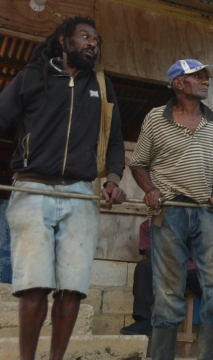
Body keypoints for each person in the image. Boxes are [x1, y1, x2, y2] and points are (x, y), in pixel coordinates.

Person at [0, 16, 126, 360]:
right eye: (85, 36)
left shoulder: (101, 85)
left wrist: (114, 180)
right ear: (63, 40)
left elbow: (114, 141)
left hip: (80, 194)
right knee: (34, 287)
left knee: (72, 289)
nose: (92, 43)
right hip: (33, 191)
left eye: (96, 39)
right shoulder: (31, 78)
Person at [129, 59, 213, 360]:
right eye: (197, 77)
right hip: (169, 210)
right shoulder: (155, 118)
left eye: (206, 77)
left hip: (206, 211)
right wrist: (150, 189)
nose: (205, 81)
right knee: (168, 292)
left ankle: (209, 356)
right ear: (178, 84)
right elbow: (138, 165)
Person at [119, 220, 203, 337]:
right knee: (144, 265)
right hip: (164, 269)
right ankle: (142, 320)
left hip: (189, 269)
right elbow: (150, 254)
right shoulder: (147, 225)